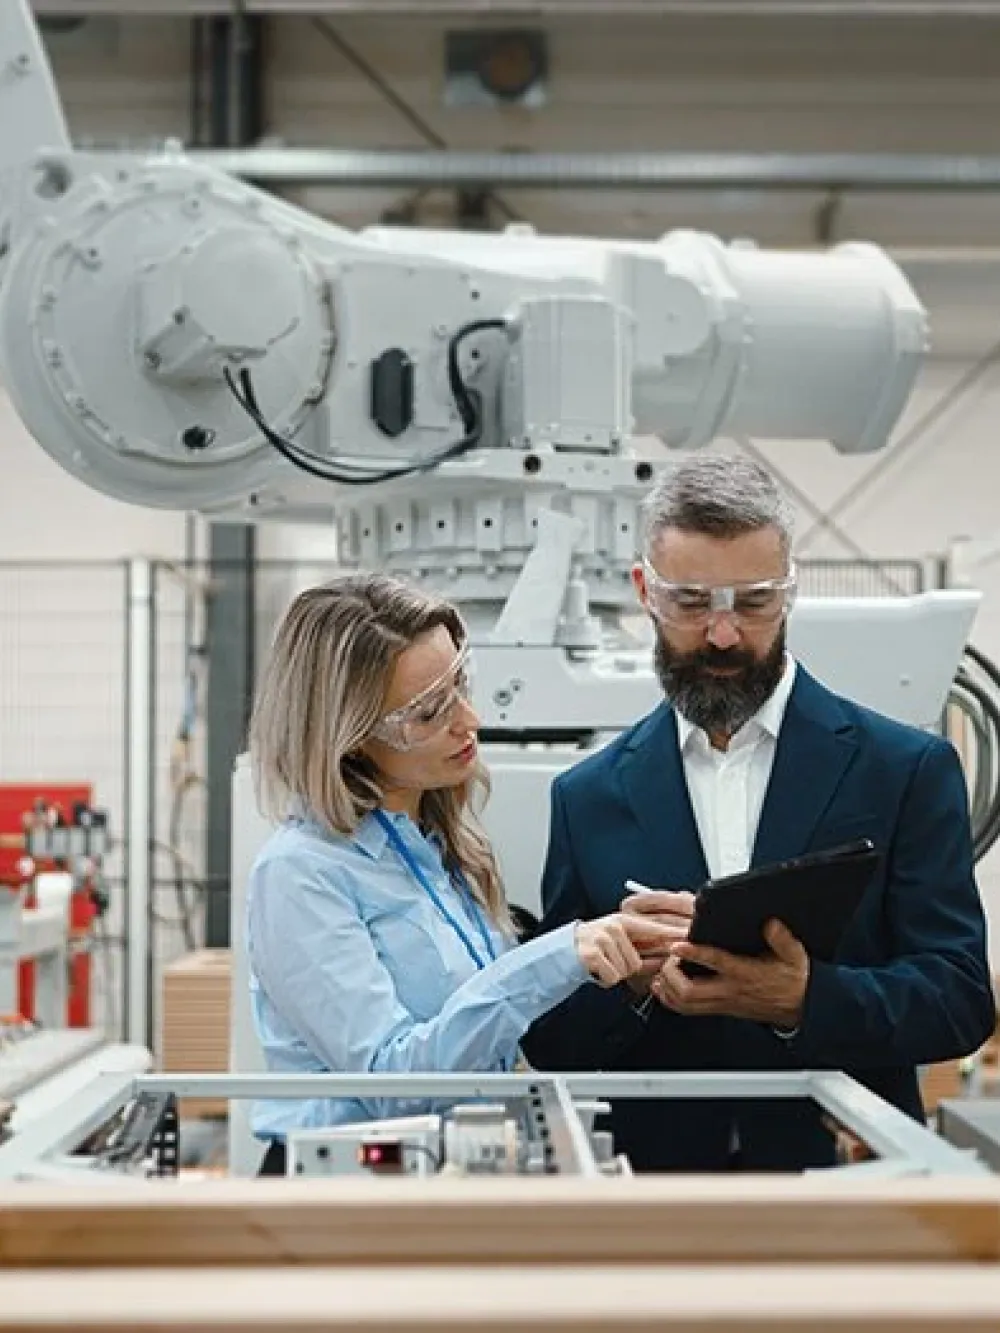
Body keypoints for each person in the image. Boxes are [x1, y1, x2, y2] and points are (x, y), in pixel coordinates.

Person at [522, 452, 995, 1173]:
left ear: (790, 593)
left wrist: (806, 998)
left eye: (752, 602)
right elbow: (553, 1035)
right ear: (644, 590)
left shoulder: (904, 770)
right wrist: (627, 983)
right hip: (658, 1194)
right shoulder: (587, 798)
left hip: (854, 1180)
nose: (722, 633)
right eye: (692, 602)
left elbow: (959, 999)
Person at [246, 573, 681, 1175]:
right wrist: (558, 956)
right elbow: (392, 1081)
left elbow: (486, 1037)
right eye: (428, 711)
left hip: (440, 1173)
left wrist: (620, 968)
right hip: (343, 1192)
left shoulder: (441, 847)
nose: (469, 719)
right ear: (346, 739)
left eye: (460, 685)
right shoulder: (300, 874)